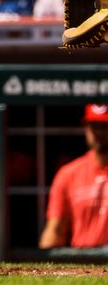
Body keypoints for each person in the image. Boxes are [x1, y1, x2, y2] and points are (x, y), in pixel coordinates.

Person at [40, 103, 108, 248]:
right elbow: (55, 230)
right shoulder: (69, 174)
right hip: (83, 262)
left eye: (105, 126)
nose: (100, 132)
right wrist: (42, 265)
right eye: (94, 126)